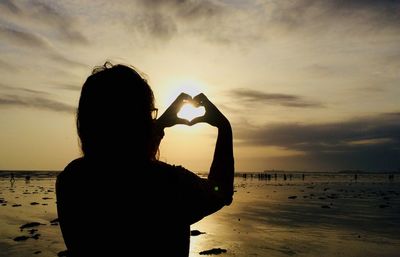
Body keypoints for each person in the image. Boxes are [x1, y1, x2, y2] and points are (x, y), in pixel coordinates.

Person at [56, 62, 234, 257]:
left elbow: (123, 157)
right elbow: (221, 190)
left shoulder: (71, 181)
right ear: (139, 122)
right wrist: (224, 127)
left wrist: (161, 124)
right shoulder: (169, 184)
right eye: (148, 114)